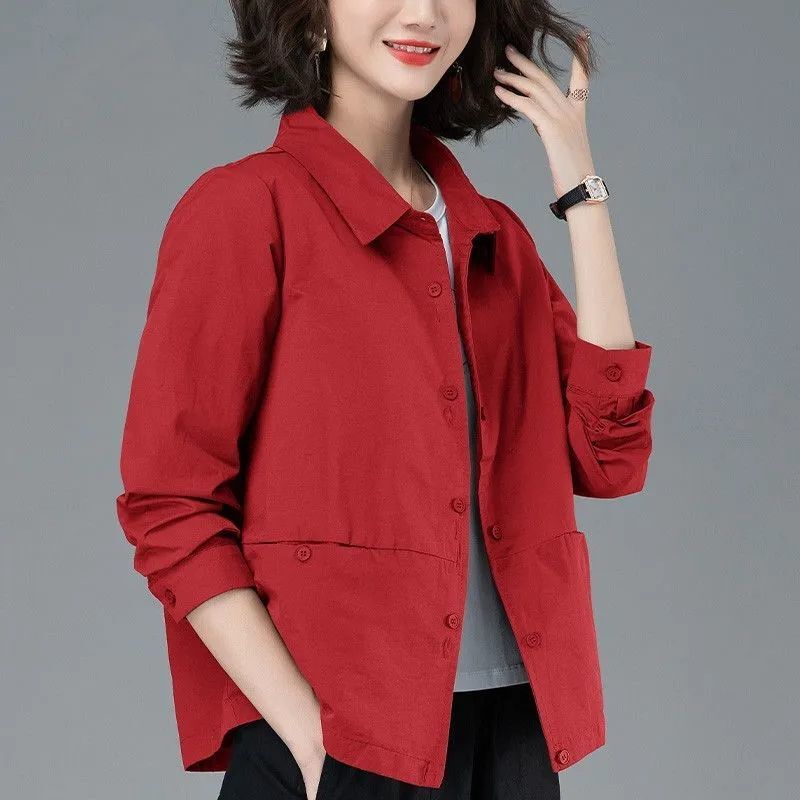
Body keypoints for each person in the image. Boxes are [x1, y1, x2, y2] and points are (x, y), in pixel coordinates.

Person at [116, 2, 656, 799]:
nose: (424, 12)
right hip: (343, 733)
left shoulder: (494, 239)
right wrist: (305, 731)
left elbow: (609, 458)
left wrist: (584, 193)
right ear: (309, 15)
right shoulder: (246, 209)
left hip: (513, 730)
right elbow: (171, 504)